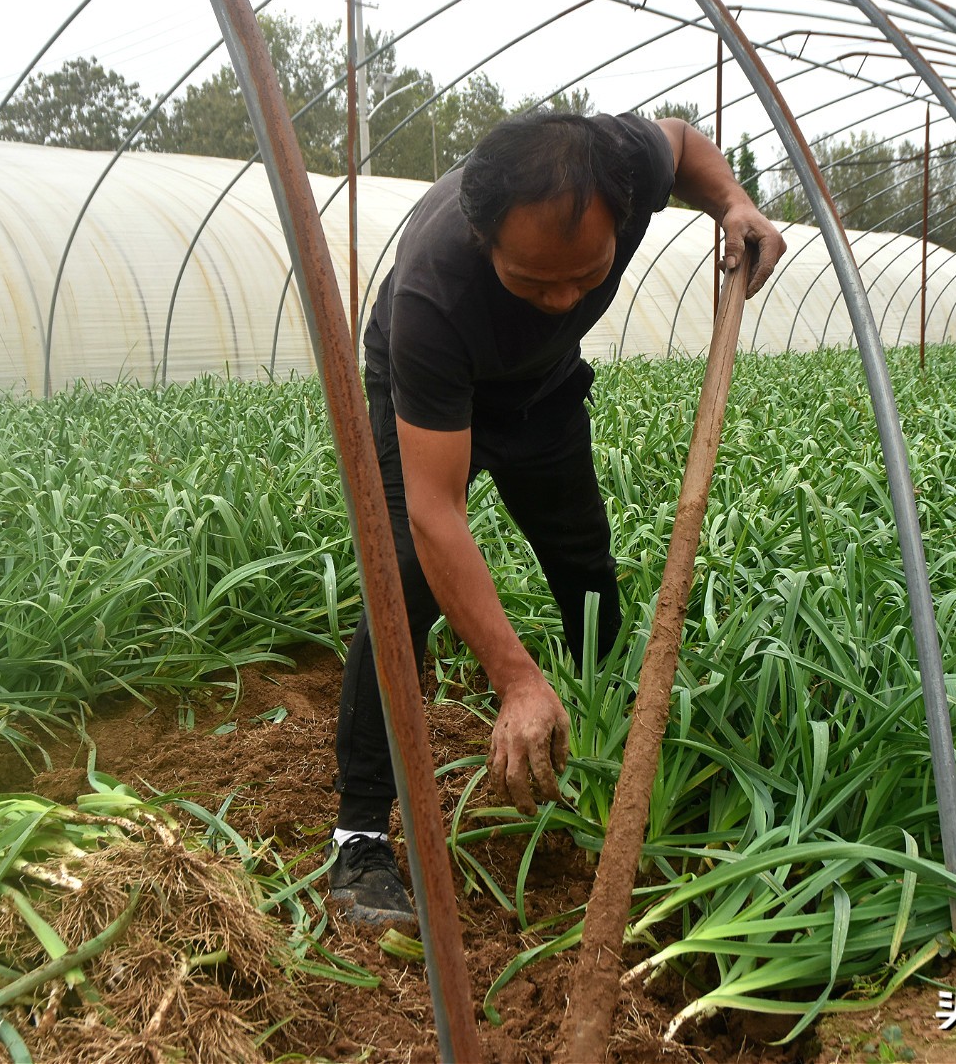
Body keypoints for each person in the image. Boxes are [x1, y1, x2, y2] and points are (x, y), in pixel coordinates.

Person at [329, 110, 786, 929]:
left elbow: (680, 141)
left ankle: (611, 760)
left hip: (542, 390)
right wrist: (514, 678)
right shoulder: (437, 289)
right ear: (483, 238)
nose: (565, 296)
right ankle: (359, 836)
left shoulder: (624, 164)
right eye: (535, 281)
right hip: (437, 389)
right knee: (401, 579)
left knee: (585, 566)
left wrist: (732, 202)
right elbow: (437, 513)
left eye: (587, 275)